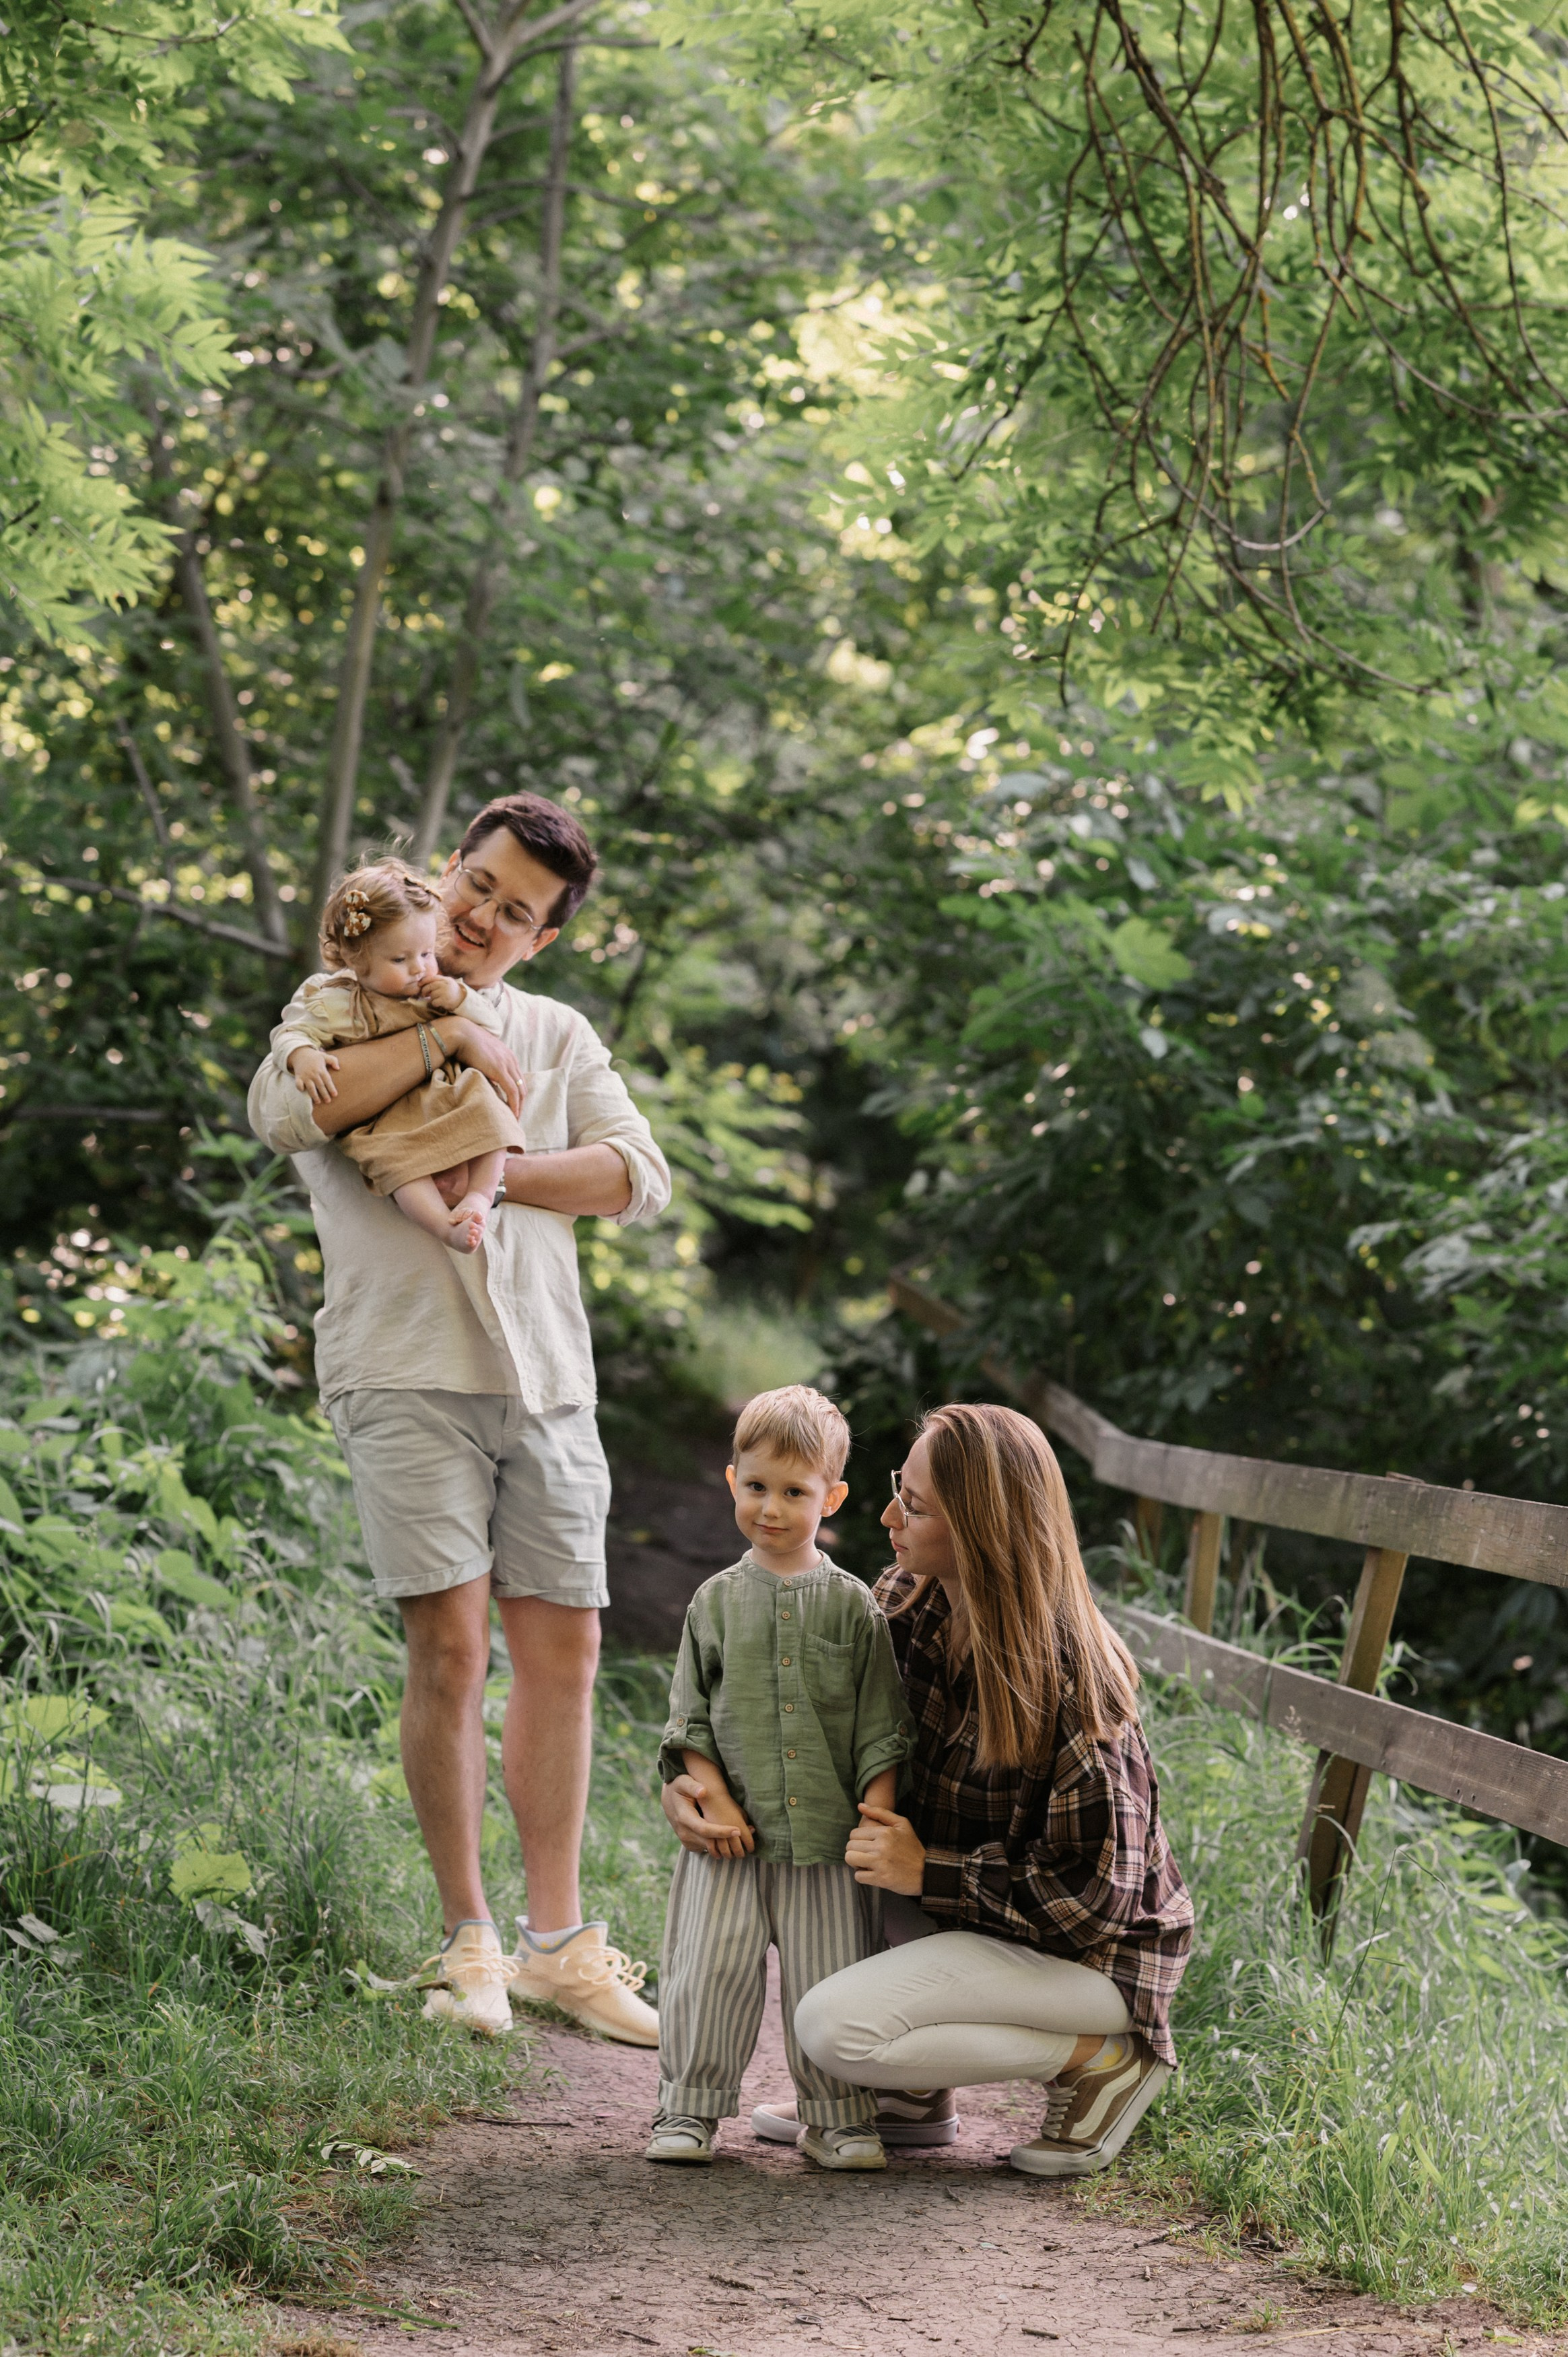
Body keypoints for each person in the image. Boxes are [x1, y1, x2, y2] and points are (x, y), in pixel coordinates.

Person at [248, 793, 671, 2044]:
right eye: (479, 885)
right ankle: (468, 1942)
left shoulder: (552, 1029)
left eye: (518, 912)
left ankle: (558, 1944)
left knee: (565, 1654)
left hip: (545, 1378)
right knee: (449, 1649)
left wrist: (469, 1160)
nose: (487, 917)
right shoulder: (332, 1001)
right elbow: (289, 1113)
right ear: (445, 874)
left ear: (541, 939)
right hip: (402, 1368)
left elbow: (634, 1177)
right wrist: (441, 1054)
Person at [664, 1402, 1194, 2177]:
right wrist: (691, 1782)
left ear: (981, 1527)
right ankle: (911, 2088)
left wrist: (931, 1870)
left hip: (1094, 1963)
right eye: (895, 1488)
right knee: (836, 1879)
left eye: (912, 1504)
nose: (884, 1515)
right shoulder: (904, 1603)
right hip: (971, 1921)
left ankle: (1103, 2058)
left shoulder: (1077, 1685)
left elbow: (1096, 1900)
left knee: (833, 2027)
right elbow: (806, 1740)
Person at [647, 1385, 914, 2171]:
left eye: (794, 1492)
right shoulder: (715, 1602)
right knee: (708, 1969)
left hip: (828, 1841)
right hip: (727, 1841)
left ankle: (834, 2115)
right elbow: (688, 1714)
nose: (772, 1507)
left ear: (829, 1497)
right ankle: (688, 2108)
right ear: (732, 1480)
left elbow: (878, 1725)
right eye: (756, 1486)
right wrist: (712, 1793)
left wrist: (877, 1816)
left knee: (830, 1971)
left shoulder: (853, 1608)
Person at [273, 858, 522, 1255]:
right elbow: (291, 1031)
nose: (419, 969)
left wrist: (460, 999)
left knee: (492, 1115)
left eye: (426, 953)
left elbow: (489, 1031)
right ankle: (444, 1226)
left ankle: (479, 1195)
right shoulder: (337, 1000)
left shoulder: (436, 990)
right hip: (387, 1113)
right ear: (357, 958)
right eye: (400, 960)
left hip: (448, 1094)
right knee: (400, 1167)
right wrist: (302, 1056)